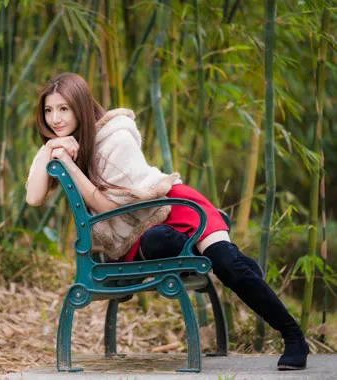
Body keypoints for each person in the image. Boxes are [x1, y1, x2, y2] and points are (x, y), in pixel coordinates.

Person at [25, 72, 309, 371]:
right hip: (139, 233)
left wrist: (69, 163)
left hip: (173, 206)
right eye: (49, 110)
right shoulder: (60, 146)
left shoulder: (115, 137)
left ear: (80, 106)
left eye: (64, 108)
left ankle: (293, 337)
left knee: (228, 265)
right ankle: (226, 260)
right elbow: (33, 198)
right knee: (162, 242)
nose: (55, 118)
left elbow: (108, 203)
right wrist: (48, 149)